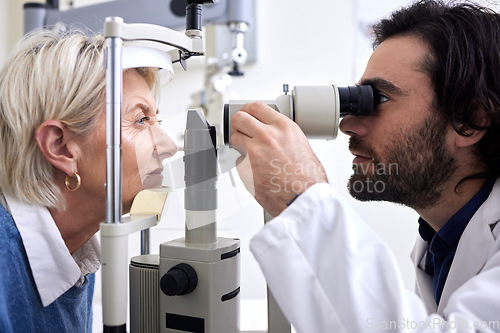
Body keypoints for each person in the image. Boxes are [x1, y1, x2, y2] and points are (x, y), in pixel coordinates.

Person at [231, 0, 500, 332]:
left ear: (470, 120)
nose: (347, 124)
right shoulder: (442, 240)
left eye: (380, 99)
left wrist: (303, 196)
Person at [0, 29, 177, 332]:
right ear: (60, 147)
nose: (169, 146)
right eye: (140, 119)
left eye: (156, 119)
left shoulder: (78, 254)